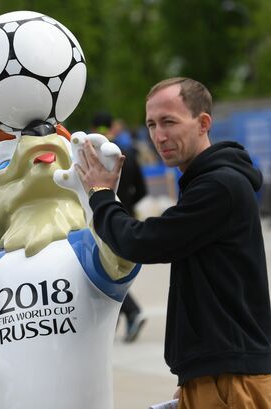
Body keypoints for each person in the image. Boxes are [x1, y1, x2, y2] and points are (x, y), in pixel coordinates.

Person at [76, 77, 271, 408]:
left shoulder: (219, 187)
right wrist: (195, 376)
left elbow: (142, 242)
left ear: (203, 123)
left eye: (169, 122)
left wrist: (101, 195)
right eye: (151, 124)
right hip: (216, 372)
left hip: (231, 378)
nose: (158, 135)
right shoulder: (207, 182)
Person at [92, 112, 148, 343]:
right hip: (127, 219)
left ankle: (131, 311)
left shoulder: (93, 155)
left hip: (103, 218)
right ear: (113, 126)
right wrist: (127, 208)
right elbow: (143, 190)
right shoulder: (129, 153)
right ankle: (117, 317)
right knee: (116, 269)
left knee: (104, 270)